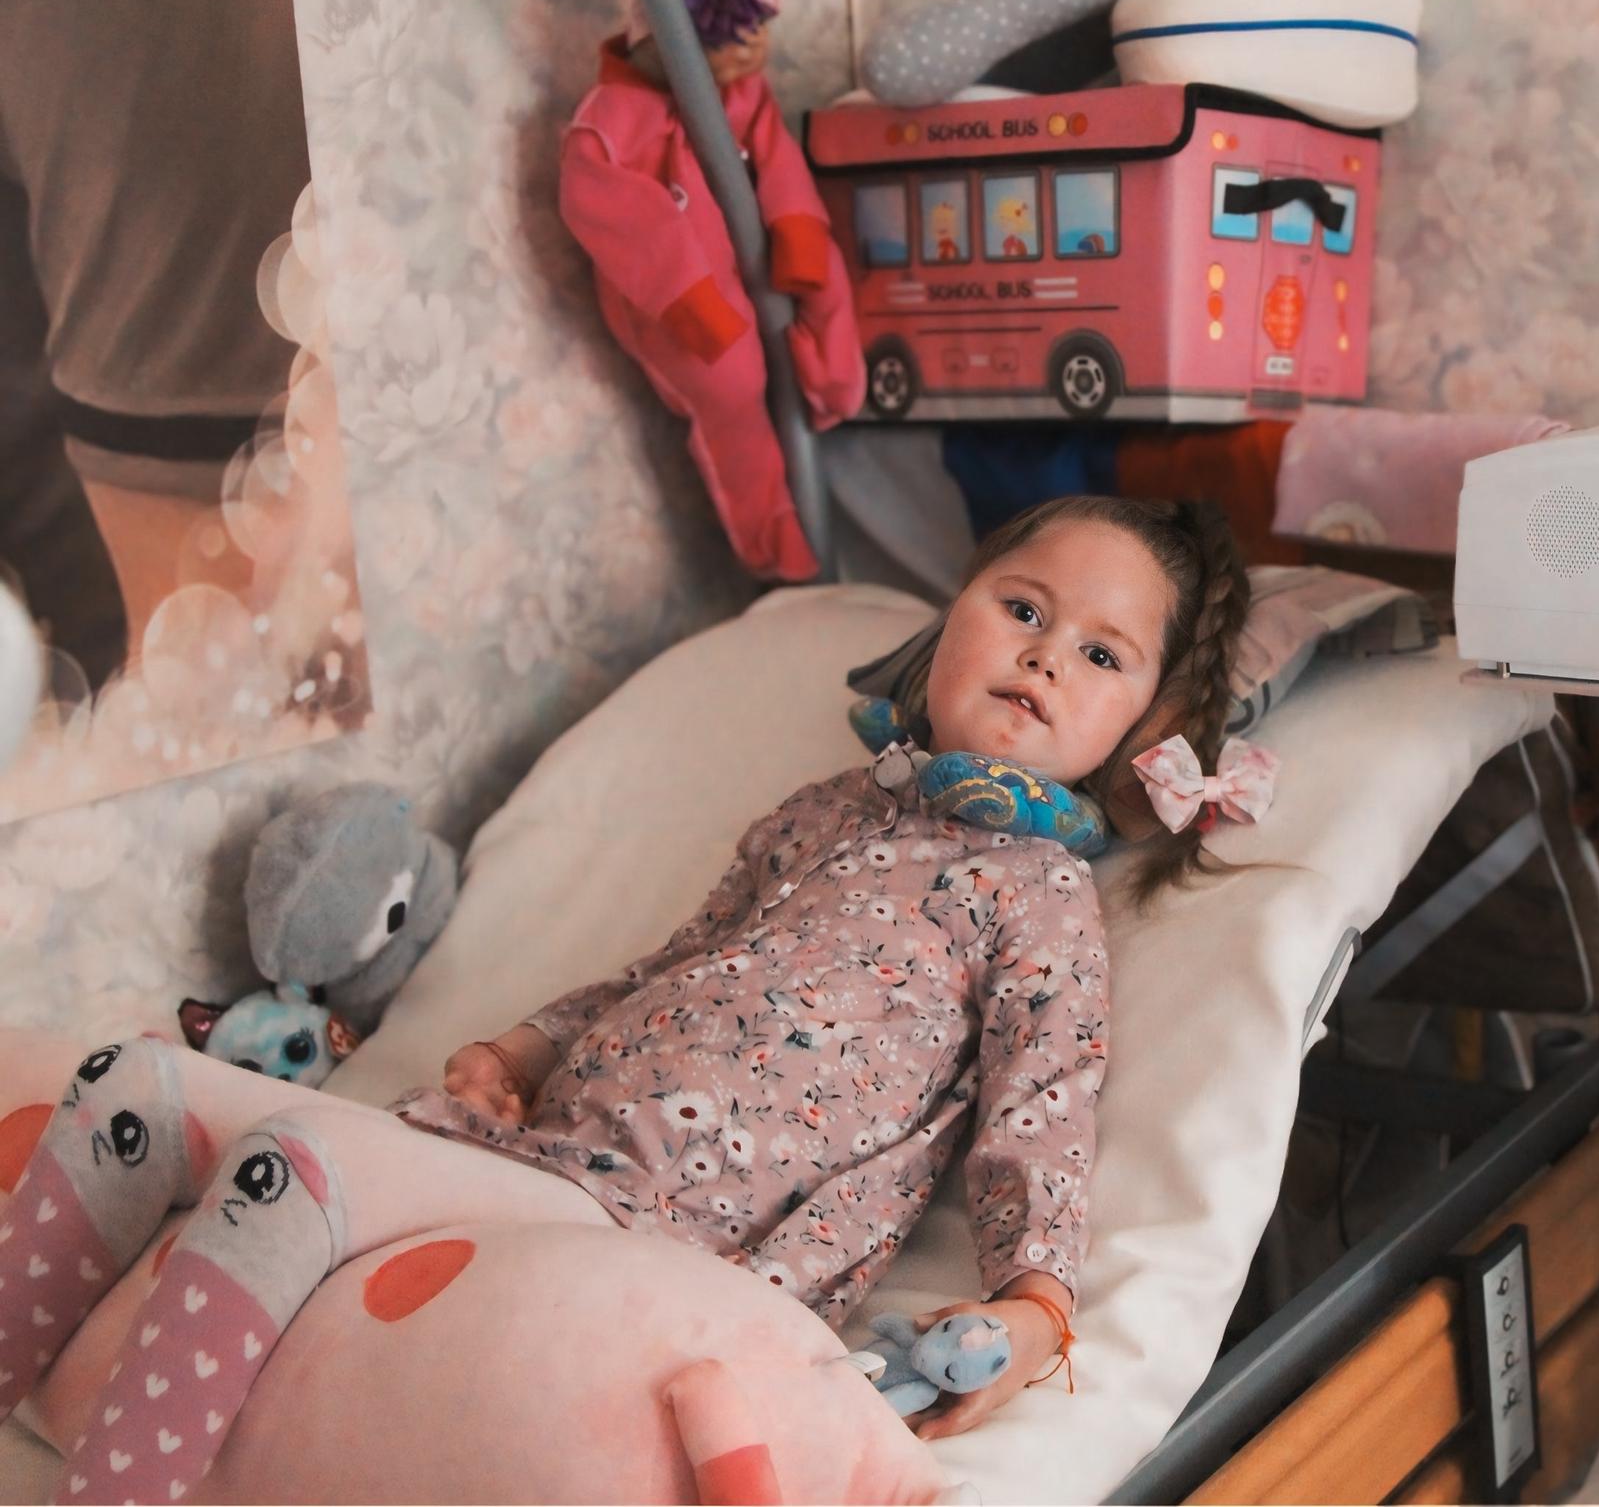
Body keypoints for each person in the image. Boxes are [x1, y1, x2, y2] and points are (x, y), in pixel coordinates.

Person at [0, 497, 1254, 1499]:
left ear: (1143, 729)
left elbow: (1044, 1104)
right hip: (532, 1154)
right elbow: (669, 966)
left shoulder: (1039, 897)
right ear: (952, 620)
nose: (1044, 654)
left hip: (663, 1238)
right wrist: (523, 1046)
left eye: (1100, 654)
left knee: (286, 1176)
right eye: (1022, 607)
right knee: (128, 1088)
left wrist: (1037, 1305)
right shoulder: (823, 812)